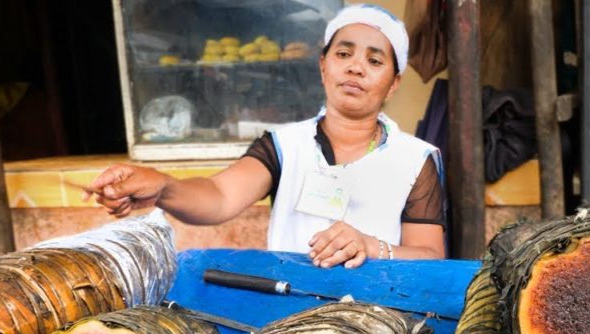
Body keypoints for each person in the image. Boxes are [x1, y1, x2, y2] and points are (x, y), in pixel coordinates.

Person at [85, 4, 446, 269]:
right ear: (323, 66)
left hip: (381, 320)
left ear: (393, 83)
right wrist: (164, 187)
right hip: (289, 311)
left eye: (375, 60)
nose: (355, 67)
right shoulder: (284, 146)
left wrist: (371, 246)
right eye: (344, 53)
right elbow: (221, 196)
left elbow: (430, 256)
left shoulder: (414, 159)